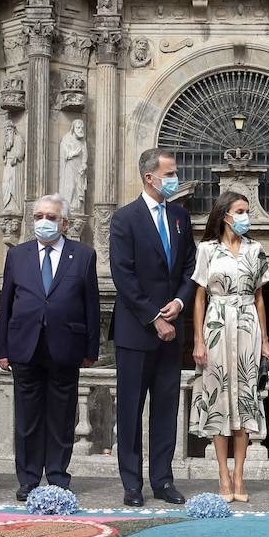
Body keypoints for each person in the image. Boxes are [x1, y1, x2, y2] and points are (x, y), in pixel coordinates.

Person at [0, 195, 100, 501]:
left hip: (65, 346)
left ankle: (57, 475)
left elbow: (91, 306)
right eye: (39, 216)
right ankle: (28, 478)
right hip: (24, 345)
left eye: (51, 217)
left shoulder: (83, 255)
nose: (44, 222)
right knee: (27, 418)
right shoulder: (18, 255)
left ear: (64, 222)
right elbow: (6, 305)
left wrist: (91, 349)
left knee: (62, 416)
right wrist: (1, 348)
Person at [108, 149, 196, 507]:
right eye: (170, 173)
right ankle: (132, 483)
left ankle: (163, 480)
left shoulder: (179, 216)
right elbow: (123, 275)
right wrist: (154, 317)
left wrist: (179, 302)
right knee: (130, 409)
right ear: (150, 177)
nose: (175, 178)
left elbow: (191, 264)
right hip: (136, 330)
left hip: (173, 330)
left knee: (166, 409)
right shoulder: (124, 218)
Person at [190, 192, 269, 503]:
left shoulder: (256, 250)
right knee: (218, 399)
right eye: (240, 211)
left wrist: (264, 338)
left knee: (246, 399)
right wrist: (198, 339)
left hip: (248, 324)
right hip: (216, 325)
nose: (245, 216)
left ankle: (240, 475)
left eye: (247, 211)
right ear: (224, 215)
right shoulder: (207, 250)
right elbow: (199, 297)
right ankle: (222, 477)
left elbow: (261, 297)